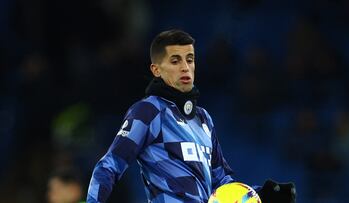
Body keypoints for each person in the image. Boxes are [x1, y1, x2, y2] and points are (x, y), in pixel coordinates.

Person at [86, 29, 296, 203]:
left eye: (190, 59)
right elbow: (109, 166)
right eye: (175, 61)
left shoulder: (204, 118)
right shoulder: (148, 111)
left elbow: (221, 182)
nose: (185, 67)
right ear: (156, 70)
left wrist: (261, 193)